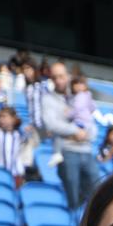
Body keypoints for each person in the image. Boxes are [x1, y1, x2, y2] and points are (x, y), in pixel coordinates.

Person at [40, 62, 98, 210]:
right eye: (55, 77)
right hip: (67, 152)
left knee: (96, 194)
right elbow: (52, 125)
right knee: (72, 198)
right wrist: (75, 131)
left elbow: (92, 124)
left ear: (68, 76)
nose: (58, 80)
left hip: (86, 150)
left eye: (61, 76)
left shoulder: (80, 95)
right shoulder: (48, 99)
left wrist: (86, 134)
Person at [0, 106, 26, 187]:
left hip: (16, 173)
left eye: (5, 116)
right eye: (0, 117)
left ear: (13, 119)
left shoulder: (19, 134)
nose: (2, 119)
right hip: (0, 171)